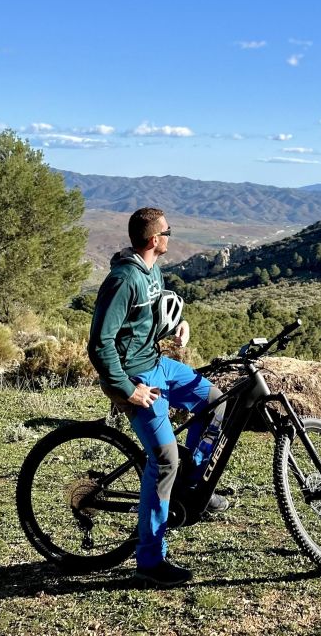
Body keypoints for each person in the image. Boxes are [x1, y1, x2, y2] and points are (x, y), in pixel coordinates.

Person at [88, 207, 228, 588]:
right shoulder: (123, 279)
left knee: (216, 404)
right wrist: (127, 389)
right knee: (164, 460)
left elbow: (153, 315)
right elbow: (99, 344)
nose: (170, 236)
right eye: (168, 231)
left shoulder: (151, 270)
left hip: (159, 364)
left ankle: (192, 485)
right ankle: (149, 561)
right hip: (135, 379)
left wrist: (177, 325)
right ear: (154, 240)